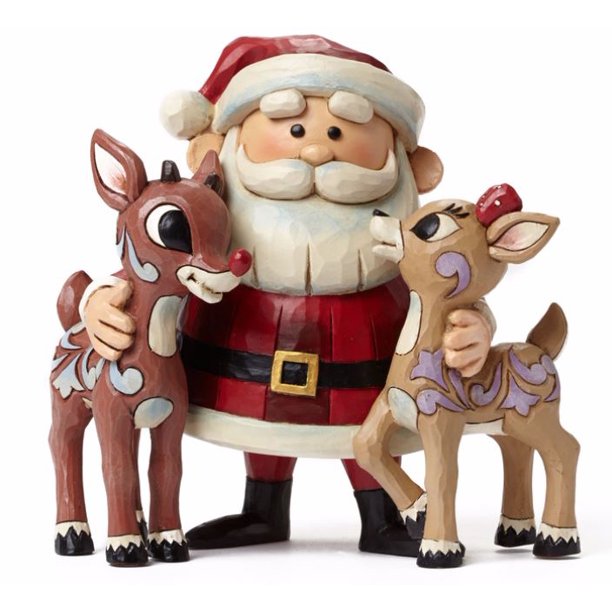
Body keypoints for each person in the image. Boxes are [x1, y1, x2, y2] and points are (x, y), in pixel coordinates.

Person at [83, 35, 494, 557]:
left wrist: (476, 325)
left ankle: (380, 516)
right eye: (293, 130)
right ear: (220, 149)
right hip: (244, 344)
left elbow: (453, 284)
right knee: (264, 422)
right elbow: (155, 268)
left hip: (369, 356)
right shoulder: (215, 242)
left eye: (340, 133)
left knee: (364, 418)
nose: (316, 152)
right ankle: (263, 508)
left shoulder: (401, 245)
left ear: (408, 165)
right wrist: (100, 301)